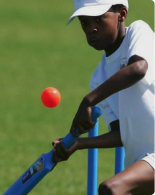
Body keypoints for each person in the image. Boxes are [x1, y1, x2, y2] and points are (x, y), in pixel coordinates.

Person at [52, 0, 155, 194]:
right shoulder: (98, 79)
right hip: (142, 163)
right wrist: (79, 144)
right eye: (84, 22)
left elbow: (138, 69)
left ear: (122, 14)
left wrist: (89, 100)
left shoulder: (138, 32)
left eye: (99, 19)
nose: (91, 29)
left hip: (150, 161)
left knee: (111, 188)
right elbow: (120, 134)